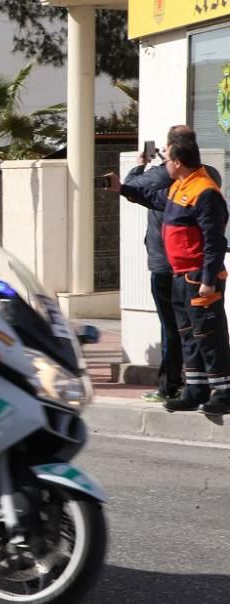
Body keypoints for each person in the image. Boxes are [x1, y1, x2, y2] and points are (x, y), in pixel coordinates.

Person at [110, 127, 230, 414]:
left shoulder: (205, 191)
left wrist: (208, 278)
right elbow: (154, 200)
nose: (164, 163)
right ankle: (195, 389)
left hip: (199, 277)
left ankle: (224, 392)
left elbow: (214, 240)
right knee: (188, 334)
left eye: (167, 160)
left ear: (177, 162)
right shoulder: (180, 186)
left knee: (209, 335)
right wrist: (122, 188)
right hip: (180, 275)